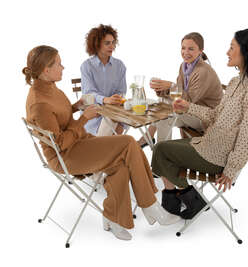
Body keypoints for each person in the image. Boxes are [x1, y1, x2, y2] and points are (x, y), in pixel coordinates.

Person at [24, 45, 180, 241]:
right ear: (46, 70)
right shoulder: (39, 102)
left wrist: (76, 106)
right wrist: (84, 119)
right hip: (66, 156)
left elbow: (58, 118)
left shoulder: (49, 88)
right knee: (129, 142)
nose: (63, 67)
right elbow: (60, 143)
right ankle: (150, 206)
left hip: (79, 143)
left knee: (121, 163)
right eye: (59, 64)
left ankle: (113, 217)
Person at [151, 28, 248, 219]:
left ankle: (181, 199)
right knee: (161, 149)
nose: (227, 52)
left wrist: (232, 170)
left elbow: (246, 134)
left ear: (246, 52)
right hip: (206, 143)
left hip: (217, 157)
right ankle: (187, 199)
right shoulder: (235, 82)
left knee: (161, 150)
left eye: (232, 47)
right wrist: (188, 107)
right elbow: (214, 115)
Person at [138, 32, 223, 147]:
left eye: (191, 49)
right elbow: (177, 95)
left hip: (206, 117)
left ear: (200, 51)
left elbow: (189, 101)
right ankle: (150, 139)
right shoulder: (184, 66)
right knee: (161, 104)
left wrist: (170, 86)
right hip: (191, 110)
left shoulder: (203, 71)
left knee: (164, 117)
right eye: (183, 48)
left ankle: (161, 153)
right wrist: (162, 89)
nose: (186, 52)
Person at [80, 24, 127, 137]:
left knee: (124, 115)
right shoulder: (87, 66)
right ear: (97, 45)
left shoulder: (119, 65)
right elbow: (88, 94)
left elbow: (121, 91)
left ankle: (109, 146)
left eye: (113, 42)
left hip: (114, 112)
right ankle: (106, 147)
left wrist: (116, 99)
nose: (112, 46)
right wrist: (105, 99)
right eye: (107, 43)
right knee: (111, 119)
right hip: (93, 114)